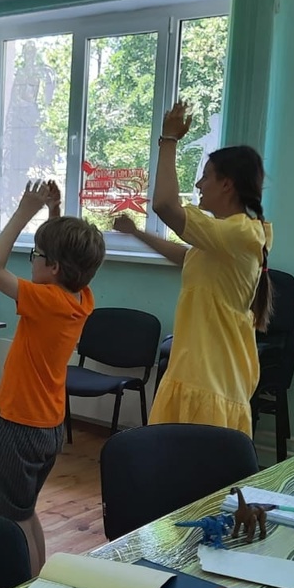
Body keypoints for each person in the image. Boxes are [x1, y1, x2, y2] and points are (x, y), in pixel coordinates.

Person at [115, 100, 273, 436]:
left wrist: (168, 140)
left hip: (212, 380)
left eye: (205, 177)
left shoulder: (238, 232)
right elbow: (187, 257)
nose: (199, 186)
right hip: (196, 372)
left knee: (194, 474)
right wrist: (136, 233)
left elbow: (164, 205)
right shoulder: (224, 238)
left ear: (227, 184)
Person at [0, 181, 106, 575]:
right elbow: (62, 264)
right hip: (48, 424)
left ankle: (23, 586)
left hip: (20, 422)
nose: (31, 261)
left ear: (52, 267)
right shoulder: (80, 298)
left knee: (10, 517)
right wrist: (53, 214)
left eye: (36, 255)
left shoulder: (45, 300)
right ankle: (36, 578)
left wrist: (23, 210)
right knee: (25, 510)